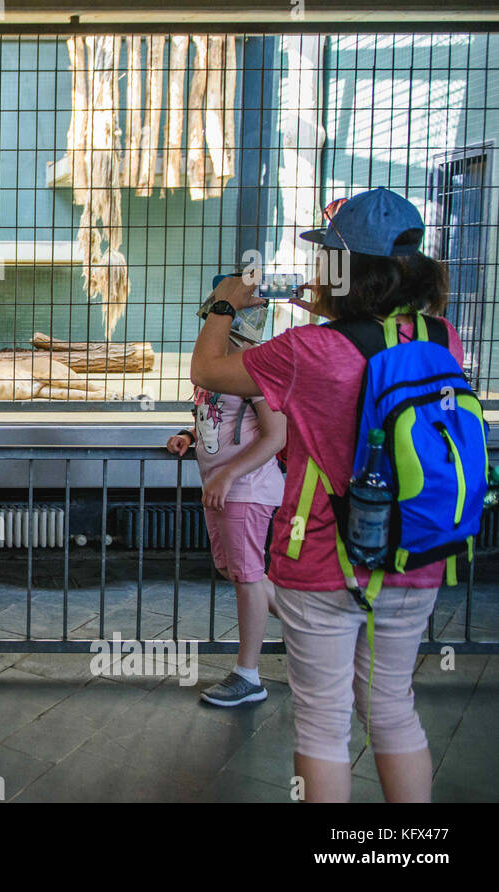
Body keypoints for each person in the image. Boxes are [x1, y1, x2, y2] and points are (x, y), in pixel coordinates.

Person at [190, 187, 461, 802]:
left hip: (322, 560)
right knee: (392, 708)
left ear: (344, 268)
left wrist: (223, 305)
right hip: (415, 554)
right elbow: (374, 361)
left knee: (322, 721)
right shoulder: (442, 337)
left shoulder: (307, 350)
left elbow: (207, 369)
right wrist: (341, 316)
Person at [167, 325, 285, 707]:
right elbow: (214, 416)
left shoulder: (254, 370)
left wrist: (229, 473)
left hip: (245, 490)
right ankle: (310, 627)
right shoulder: (216, 369)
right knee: (235, 571)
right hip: (220, 489)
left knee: (247, 576)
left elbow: (276, 435)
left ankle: (249, 676)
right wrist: (188, 434)